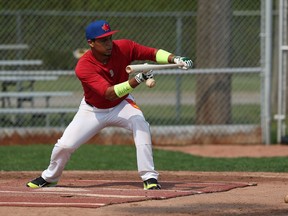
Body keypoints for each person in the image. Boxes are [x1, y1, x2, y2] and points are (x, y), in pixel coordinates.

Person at [26, 20, 193, 190]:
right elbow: (109, 93)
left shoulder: (124, 47)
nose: (109, 43)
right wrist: (138, 80)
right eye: (103, 40)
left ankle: (149, 177)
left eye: (110, 38)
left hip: (122, 105)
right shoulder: (83, 66)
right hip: (92, 110)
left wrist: (176, 58)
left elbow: (152, 53)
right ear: (91, 43)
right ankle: (50, 177)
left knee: (141, 124)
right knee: (64, 145)